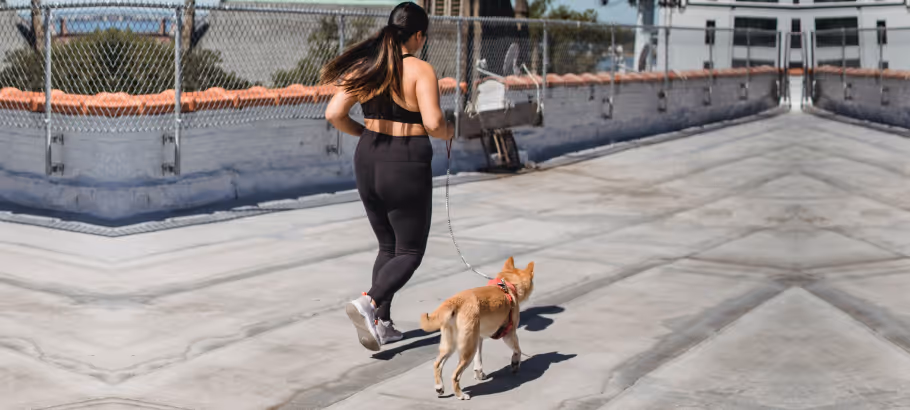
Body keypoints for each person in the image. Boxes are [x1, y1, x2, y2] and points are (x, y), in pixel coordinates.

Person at [321, 2, 455, 352]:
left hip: (368, 155)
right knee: (410, 251)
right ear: (418, 35)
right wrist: (451, 132)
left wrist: (364, 134)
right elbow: (434, 124)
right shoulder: (420, 70)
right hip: (405, 160)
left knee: (388, 246)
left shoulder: (368, 65)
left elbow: (334, 113)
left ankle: (382, 323)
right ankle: (369, 301)